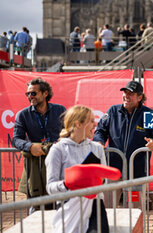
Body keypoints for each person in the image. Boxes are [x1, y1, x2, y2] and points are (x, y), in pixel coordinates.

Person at [45, 105, 110, 233]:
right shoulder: (57, 150)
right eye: (91, 121)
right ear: (78, 124)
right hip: (68, 205)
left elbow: (104, 182)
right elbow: (50, 187)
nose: (95, 124)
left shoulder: (97, 148)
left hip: (95, 204)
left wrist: (95, 181)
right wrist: (69, 184)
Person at [12, 78, 66, 213]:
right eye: (28, 94)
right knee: (35, 207)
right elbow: (16, 139)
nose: (30, 97)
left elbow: (69, 131)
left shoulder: (60, 110)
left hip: (57, 164)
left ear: (45, 93)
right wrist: (30, 147)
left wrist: (62, 140)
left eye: (34, 93)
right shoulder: (23, 115)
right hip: (35, 166)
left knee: (58, 205)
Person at [93, 80, 153, 179]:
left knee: (139, 194)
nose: (126, 96)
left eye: (131, 94)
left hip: (138, 172)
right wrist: (99, 141)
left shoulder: (149, 115)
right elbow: (100, 131)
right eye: (125, 92)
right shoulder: (113, 111)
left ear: (140, 98)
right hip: (113, 170)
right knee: (111, 194)